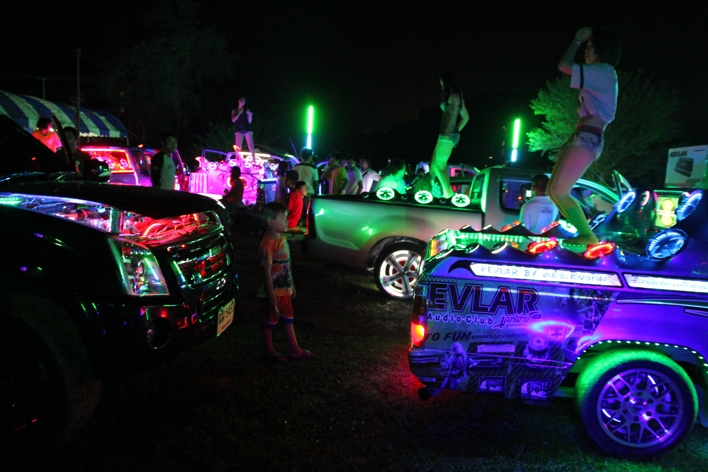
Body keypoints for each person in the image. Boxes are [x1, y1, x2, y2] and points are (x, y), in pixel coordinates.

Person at [548, 27, 621, 246]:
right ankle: (584, 233)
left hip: (588, 138)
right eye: (586, 47)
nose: (585, 51)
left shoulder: (604, 71)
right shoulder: (601, 73)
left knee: (559, 191)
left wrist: (577, 39)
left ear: (602, 49)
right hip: (583, 137)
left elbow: (565, 66)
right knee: (554, 191)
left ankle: (587, 235)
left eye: (590, 47)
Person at [259, 202, 314, 362]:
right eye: (283, 218)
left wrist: (291, 285)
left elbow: (286, 266)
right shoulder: (268, 244)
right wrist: (271, 295)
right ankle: (269, 350)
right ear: (271, 222)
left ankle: (295, 349)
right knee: (269, 321)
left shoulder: (282, 238)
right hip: (274, 292)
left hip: (285, 290)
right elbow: (266, 272)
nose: (287, 221)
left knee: (288, 318)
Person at [430, 72, 469, 198]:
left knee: (439, 165)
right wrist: (455, 131)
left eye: (442, 82)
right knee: (434, 165)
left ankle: (448, 193)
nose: (441, 85)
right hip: (446, 134)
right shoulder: (455, 96)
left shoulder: (453, 96)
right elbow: (466, 117)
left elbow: (456, 116)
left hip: (447, 134)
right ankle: (445, 192)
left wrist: (453, 131)